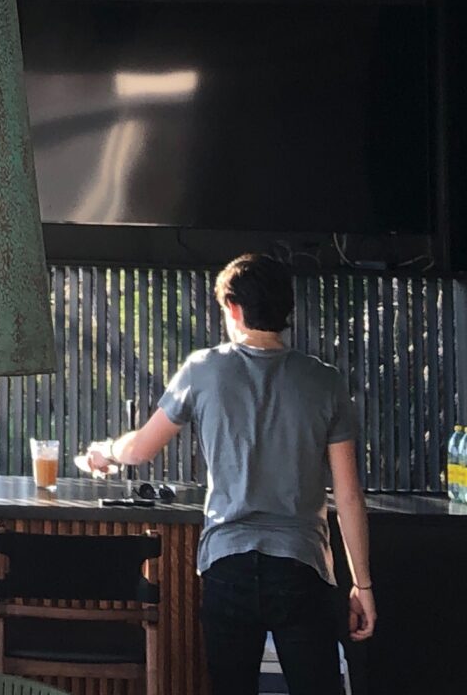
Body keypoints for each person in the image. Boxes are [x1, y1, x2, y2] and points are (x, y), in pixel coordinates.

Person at [83, 253, 375, 695]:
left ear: (234, 309)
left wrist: (104, 452)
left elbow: (139, 449)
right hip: (301, 566)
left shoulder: (203, 370)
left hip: (228, 564)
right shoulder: (325, 381)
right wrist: (362, 585)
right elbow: (349, 496)